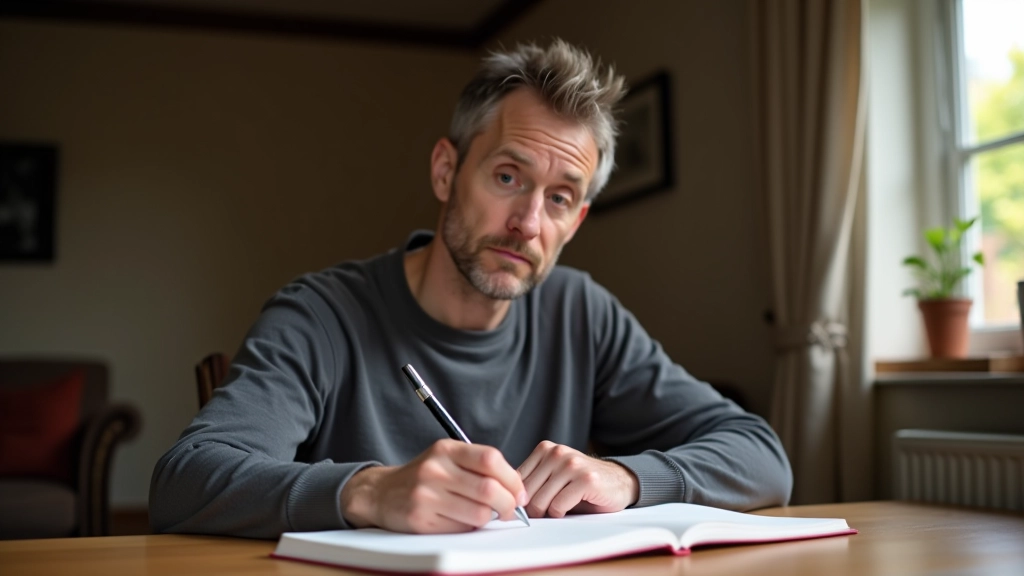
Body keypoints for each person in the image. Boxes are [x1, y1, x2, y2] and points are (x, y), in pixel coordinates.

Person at [149, 39, 792, 539]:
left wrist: (627, 477)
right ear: (446, 170)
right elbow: (184, 481)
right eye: (508, 177)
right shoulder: (321, 314)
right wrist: (369, 492)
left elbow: (764, 458)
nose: (528, 223)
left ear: (577, 220)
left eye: (560, 198)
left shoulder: (581, 313)